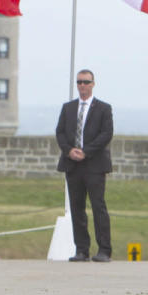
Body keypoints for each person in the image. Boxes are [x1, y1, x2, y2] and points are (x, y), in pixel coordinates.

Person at [55, 69, 113, 263]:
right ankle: (82, 249)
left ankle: (104, 249)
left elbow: (106, 134)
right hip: (73, 165)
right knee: (77, 208)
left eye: (86, 82)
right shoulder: (68, 108)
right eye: (79, 82)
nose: (82, 86)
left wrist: (86, 151)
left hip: (94, 165)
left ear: (93, 84)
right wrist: (69, 150)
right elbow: (60, 132)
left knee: (98, 207)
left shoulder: (103, 108)